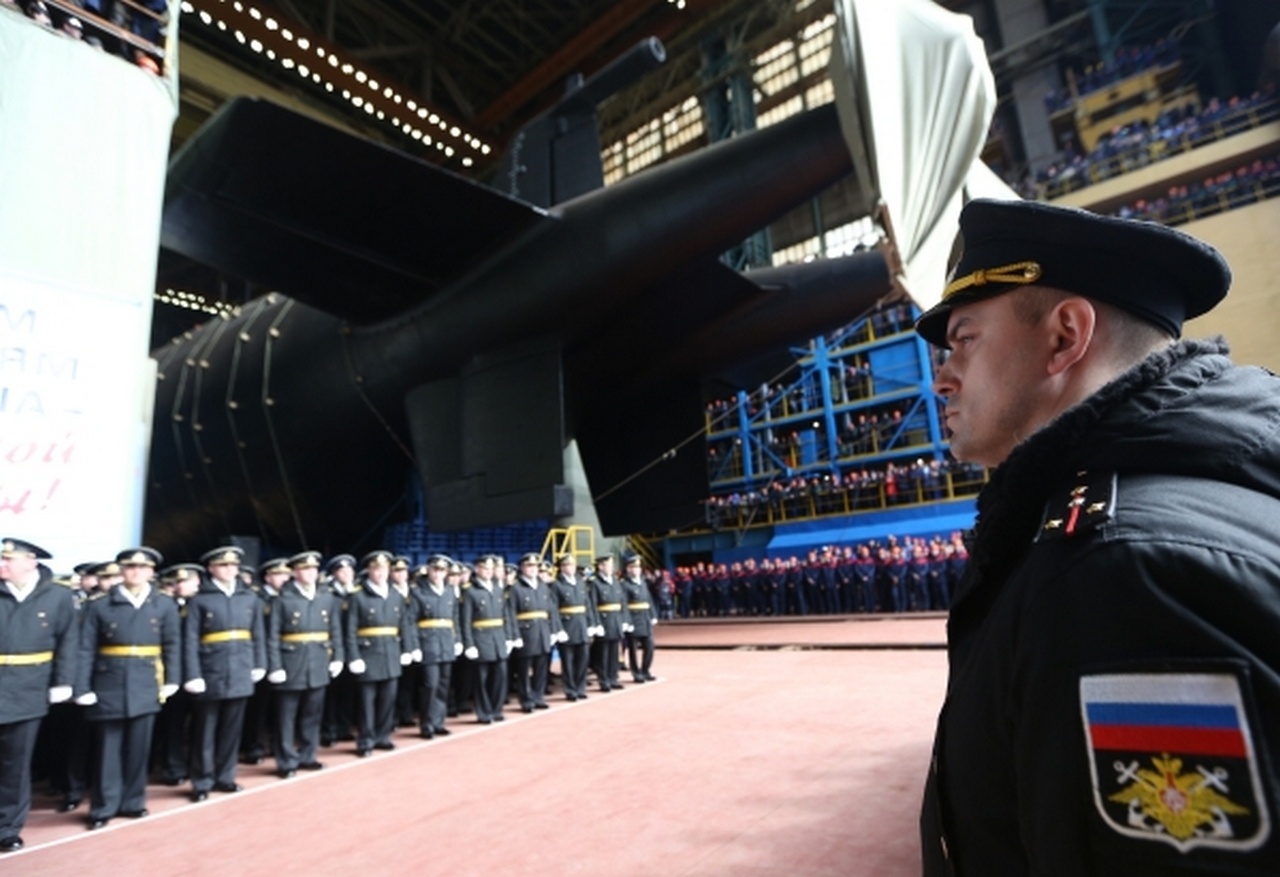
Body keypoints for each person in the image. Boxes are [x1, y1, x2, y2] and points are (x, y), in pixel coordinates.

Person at [913, 198, 1280, 875]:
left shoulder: (1122, 575)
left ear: (1064, 335)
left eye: (963, 338)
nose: (942, 376)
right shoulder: (1199, 494)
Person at [73, 547, 180, 830]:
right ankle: (103, 806)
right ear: (122, 571)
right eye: (130, 567)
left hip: (146, 681)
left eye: (142, 568)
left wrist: (172, 679)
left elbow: (172, 645)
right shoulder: (99, 605)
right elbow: (85, 649)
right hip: (108, 681)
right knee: (108, 749)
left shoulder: (164, 604)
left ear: (151, 573)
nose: (135, 572)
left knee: (138, 748)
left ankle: (133, 802)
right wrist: (81, 686)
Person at [0, 538, 77, 853]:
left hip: (29, 688)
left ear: (30, 562)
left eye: (8, 559)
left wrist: (64, 681)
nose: (2, 565)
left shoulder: (58, 596)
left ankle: (7, 827)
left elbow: (69, 641)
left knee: (16, 765)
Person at [182, 545, 266, 803]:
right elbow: (190, 641)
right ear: (211, 569)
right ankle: (202, 780)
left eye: (233, 565)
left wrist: (259, 663)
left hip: (240, 667)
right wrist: (193, 674)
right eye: (223, 565)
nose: (229, 570)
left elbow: (257, 635)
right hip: (211, 670)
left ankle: (225, 776)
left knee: (232, 729)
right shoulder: (199, 600)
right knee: (205, 729)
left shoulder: (249, 597)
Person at [266, 550, 344, 777]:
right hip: (291, 662)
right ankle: (286, 761)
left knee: (313, 713)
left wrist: (338, 657)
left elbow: (335, 630)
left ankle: (308, 755)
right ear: (294, 572)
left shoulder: (326, 597)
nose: (309, 573)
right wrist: (275, 666)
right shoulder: (283, 599)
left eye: (313, 569)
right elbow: (273, 636)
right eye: (304, 569)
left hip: (318, 661)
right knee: (286, 717)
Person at [343, 551, 415, 757]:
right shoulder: (358, 596)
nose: (380, 573)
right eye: (376, 569)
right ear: (369, 571)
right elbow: (351, 630)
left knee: (387, 700)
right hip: (368, 655)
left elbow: (404, 625)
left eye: (384, 569)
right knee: (367, 703)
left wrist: (407, 649)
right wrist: (354, 657)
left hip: (391, 653)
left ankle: (383, 736)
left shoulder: (395, 595)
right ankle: (365, 740)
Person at [459, 554, 515, 724]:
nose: (488, 572)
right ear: (477, 569)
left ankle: (496, 709)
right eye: (484, 568)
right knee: (481, 679)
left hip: (498, 638)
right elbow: (465, 620)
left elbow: (505, 615)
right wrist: (469, 644)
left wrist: (509, 637)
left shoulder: (498, 589)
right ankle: (483, 712)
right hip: (480, 639)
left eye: (491, 569)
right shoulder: (470, 591)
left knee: (500, 676)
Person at [409, 555, 461, 739]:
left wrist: (458, 640)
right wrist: (414, 646)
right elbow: (410, 622)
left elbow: (455, 620)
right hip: (427, 644)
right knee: (429, 685)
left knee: (443, 686)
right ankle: (426, 724)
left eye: (442, 570)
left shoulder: (449, 591)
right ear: (428, 570)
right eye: (435, 570)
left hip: (446, 642)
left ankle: (438, 722)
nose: (438, 574)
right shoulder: (418, 592)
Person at [508, 552, 564, 713]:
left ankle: (538, 696)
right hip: (526, 633)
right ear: (522, 568)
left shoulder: (543, 586)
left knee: (541, 668)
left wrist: (554, 630)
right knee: (524, 670)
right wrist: (515, 635)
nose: (532, 569)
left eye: (535, 566)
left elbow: (551, 610)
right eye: (529, 566)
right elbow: (511, 614)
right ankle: (526, 700)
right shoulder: (516, 589)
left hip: (543, 632)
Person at [551, 554, 599, 702]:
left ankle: (580, 687)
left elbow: (588, 605)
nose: (570, 568)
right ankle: (570, 689)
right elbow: (553, 609)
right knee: (568, 662)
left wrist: (592, 624)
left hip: (581, 625)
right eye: (566, 565)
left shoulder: (580, 583)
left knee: (582, 660)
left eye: (572, 565)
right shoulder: (556, 585)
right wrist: (558, 629)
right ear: (561, 568)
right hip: (567, 626)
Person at [620, 553, 657, 683]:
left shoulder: (642, 582)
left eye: (638, 567)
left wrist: (653, 615)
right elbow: (623, 604)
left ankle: (645, 670)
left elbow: (649, 600)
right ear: (629, 569)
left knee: (650, 646)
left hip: (645, 618)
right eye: (634, 567)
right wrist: (627, 621)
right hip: (634, 620)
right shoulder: (625, 584)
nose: (637, 570)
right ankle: (636, 673)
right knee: (633, 650)